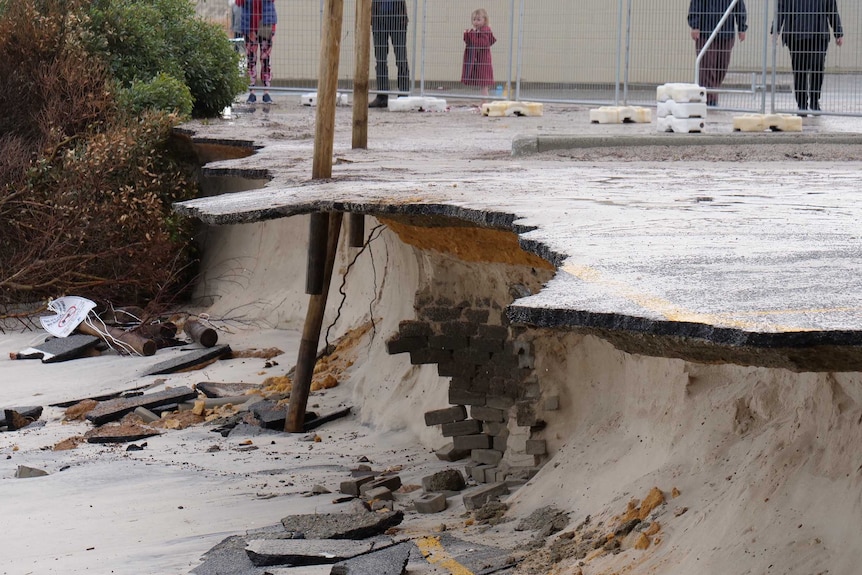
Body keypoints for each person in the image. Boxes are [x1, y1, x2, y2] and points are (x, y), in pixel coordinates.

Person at [773, 0, 843, 113]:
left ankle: (814, 102)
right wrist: (775, 29)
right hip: (796, 34)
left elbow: (832, 9)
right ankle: (802, 105)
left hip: (818, 34)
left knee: (817, 67)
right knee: (799, 70)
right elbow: (781, 8)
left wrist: (838, 32)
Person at [687, 0, 748, 107]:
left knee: (722, 67)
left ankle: (712, 94)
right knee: (707, 66)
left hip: (726, 32)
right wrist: (695, 25)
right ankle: (709, 99)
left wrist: (742, 27)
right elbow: (696, 4)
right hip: (706, 32)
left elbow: (738, 5)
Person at [370, 0, 410, 108]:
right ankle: (382, 96)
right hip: (378, 18)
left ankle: (404, 94)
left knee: (401, 58)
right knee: (380, 58)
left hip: (397, 18)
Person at [236, 0, 277, 104]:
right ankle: (252, 92)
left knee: (265, 59)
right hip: (249, 25)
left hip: (266, 23)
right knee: (251, 59)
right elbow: (238, 2)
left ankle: (267, 92)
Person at [461, 8, 497, 100]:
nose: (475, 22)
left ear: (485, 20)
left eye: (478, 19)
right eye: (474, 19)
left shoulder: (485, 30)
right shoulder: (477, 31)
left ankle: (484, 102)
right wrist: (467, 35)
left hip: (483, 61)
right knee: (482, 84)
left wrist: (472, 34)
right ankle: (483, 102)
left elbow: (481, 44)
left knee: (484, 85)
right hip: (478, 61)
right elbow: (470, 42)